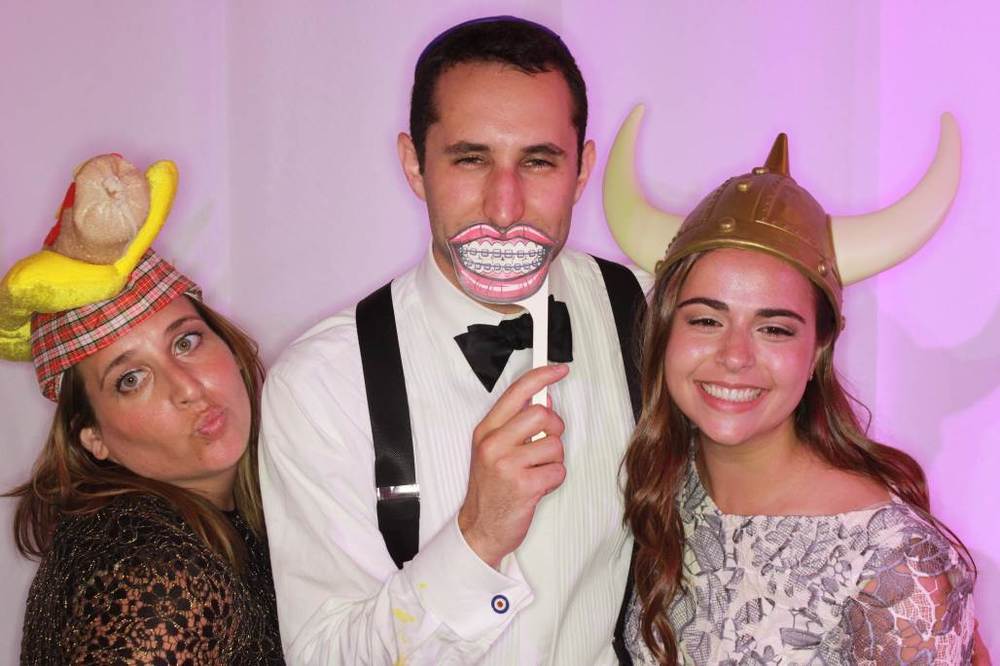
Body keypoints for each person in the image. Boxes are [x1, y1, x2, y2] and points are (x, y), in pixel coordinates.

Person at [259, 16, 649, 664]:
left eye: (538, 161)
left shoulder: (648, 315)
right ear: (415, 165)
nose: (505, 207)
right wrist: (477, 538)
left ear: (582, 169)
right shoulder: (321, 384)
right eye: (471, 159)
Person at [603, 117, 976, 662]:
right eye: (705, 320)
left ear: (818, 349)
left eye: (774, 329)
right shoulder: (662, 484)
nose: (735, 356)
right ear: (665, 331)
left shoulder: (894, 562)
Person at [2, 155, 284, 663]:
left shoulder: (226, 523)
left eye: (186, 342)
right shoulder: (158, 578)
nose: (187, 388)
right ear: (93, 436)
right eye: (131, 379)